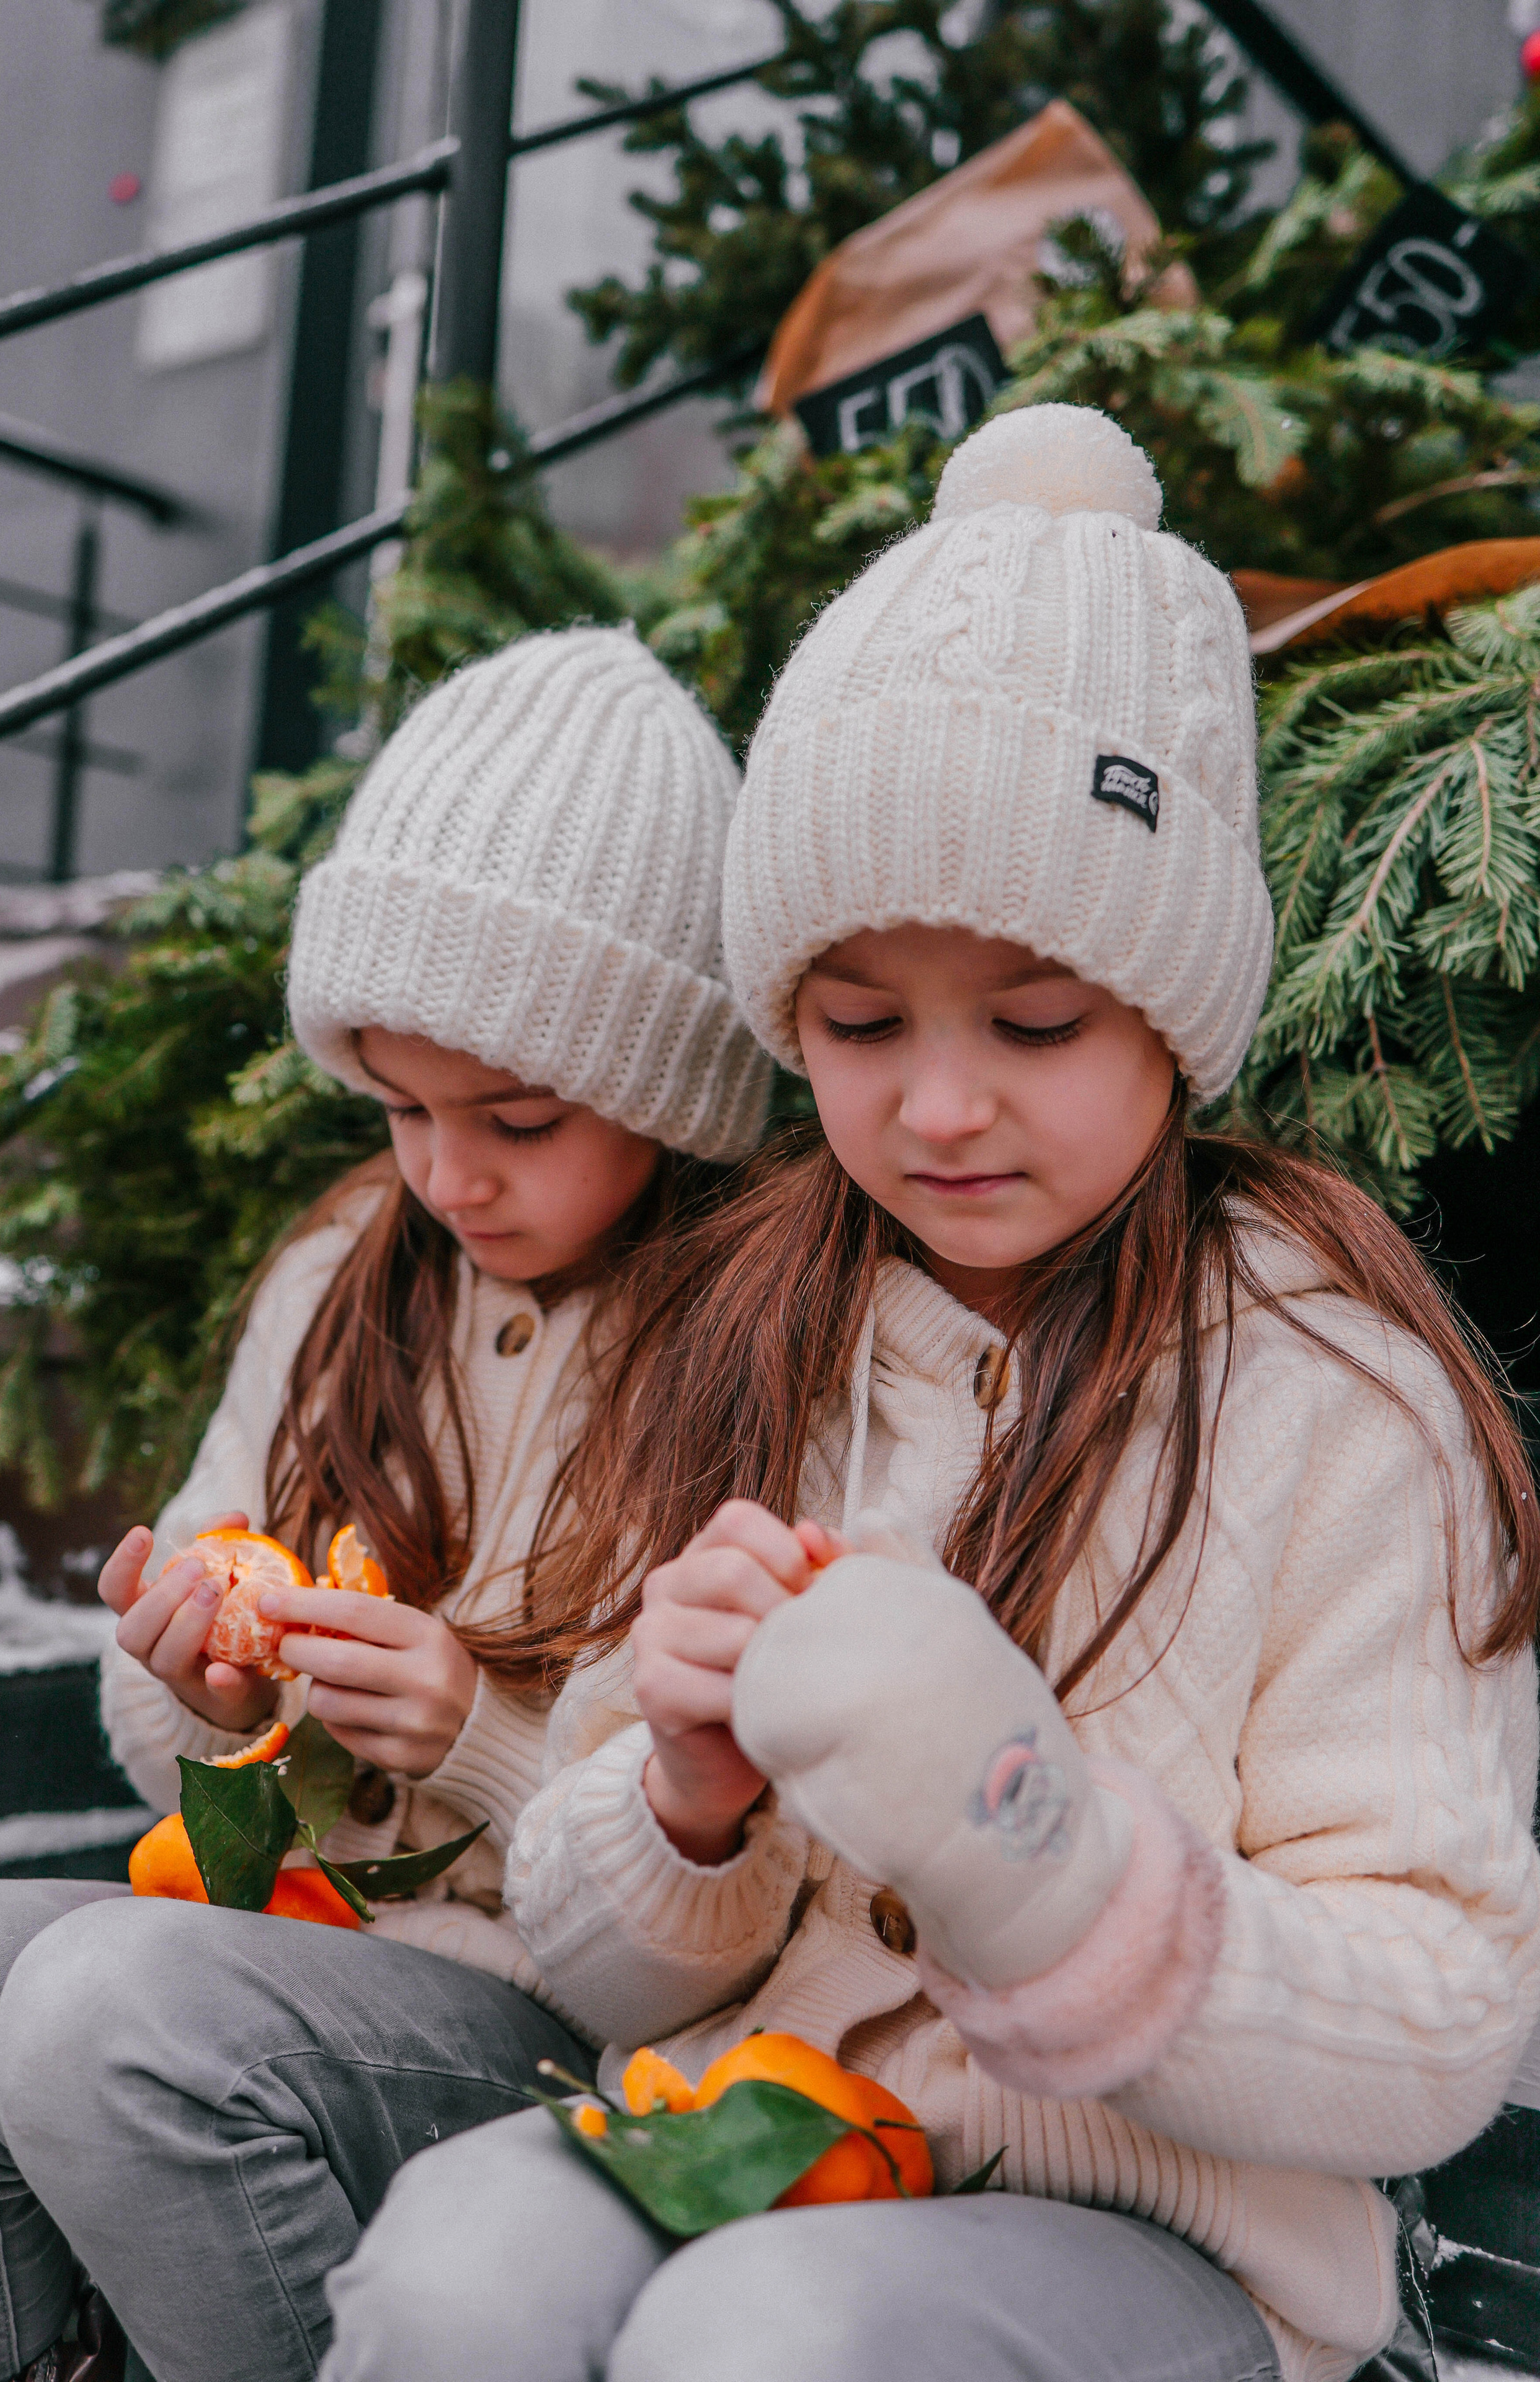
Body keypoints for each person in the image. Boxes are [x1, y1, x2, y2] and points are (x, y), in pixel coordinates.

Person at [323, 407, 1540, 2382]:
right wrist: (685, 1806)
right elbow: (601, 1953)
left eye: (1037, 1021)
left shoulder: (1333, 1391)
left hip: (1155, 2234)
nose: (941, 1103)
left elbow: (1443, 2021)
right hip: (757, 2123)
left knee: (769, 2343)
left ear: (1177, 1008)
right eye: (859, 1022)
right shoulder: (750, 1331)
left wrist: (1057, 1862)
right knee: (464, 2268)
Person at [0, 623, 768, 2382]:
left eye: (521, 1117)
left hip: (575, 2014)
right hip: (299, 1947)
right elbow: (169, 1713)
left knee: (107, 2018)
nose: (446, 1172)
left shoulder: (749, 1338)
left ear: (666, 1091)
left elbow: (718, 1921)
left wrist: (482, 1736)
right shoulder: (347, 1269)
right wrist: (209, 1697)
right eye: (399, 1105)